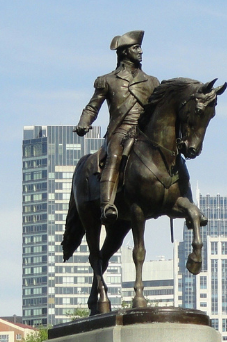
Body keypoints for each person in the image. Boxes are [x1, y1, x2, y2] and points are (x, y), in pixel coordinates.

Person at [73, 30, 160, 223]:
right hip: (120, 131)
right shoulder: (108, 80)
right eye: (136, 47)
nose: (141, 51)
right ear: (125, 52)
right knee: (114, 155)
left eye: (140, 47)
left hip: (145, 134)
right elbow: (92, 107)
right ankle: (107, 204)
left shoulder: (152, 81)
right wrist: (83, 123)